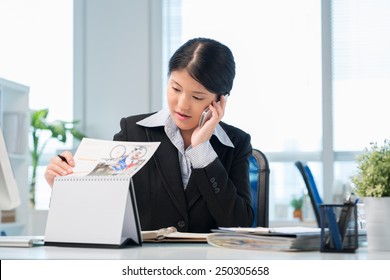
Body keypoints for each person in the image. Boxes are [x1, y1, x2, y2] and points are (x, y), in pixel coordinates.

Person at [44, 37, 254, 233]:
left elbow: (239, 225)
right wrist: (63, 187)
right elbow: (99, 209)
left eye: (197, 97)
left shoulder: (237, 143)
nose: (182, 104)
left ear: (220, 100)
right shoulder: (132, 132)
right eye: (175, 88)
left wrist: (201, 151)